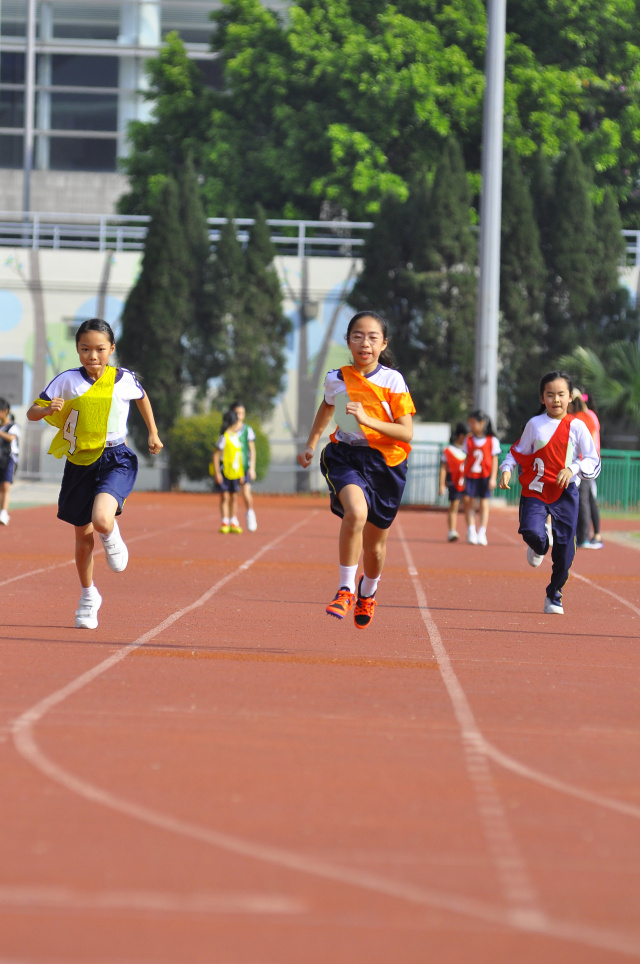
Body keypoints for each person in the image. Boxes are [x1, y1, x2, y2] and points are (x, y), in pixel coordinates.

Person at [26, 318, 163, 630]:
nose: (93, 355)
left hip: (115, 458)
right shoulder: (67, 380)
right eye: (85, 349)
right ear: (78, 350)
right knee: (83, 537)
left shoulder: (123, 379)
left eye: (100, 349)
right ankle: (88, 596)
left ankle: (112, 536)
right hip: (80, 462)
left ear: (111, 349)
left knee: (102, 519)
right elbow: (33, 412)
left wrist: (153, 432)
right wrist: (47, 410)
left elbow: (142, 397)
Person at [297, 310, 415, 629]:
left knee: (374, 548)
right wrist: (311, 444)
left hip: (386, 464)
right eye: (358, 336)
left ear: (383, 343)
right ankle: (345, 589)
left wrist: (367, 419)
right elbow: (327, 406)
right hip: (346, 457)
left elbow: (406, 432)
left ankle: (368, 591)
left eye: (373, 337)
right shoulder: (336, 378)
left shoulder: (392, 380)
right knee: (356, 513)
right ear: (348, 342)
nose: (365, 343)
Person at [499, 370, 600, 615]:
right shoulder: (535, 425)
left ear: (570, 397)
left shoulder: (577, 426)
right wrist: (506, 469)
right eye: (550, 394)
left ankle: (554, 594)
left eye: (561, 394)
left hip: (565, 494)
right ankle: (539, 546)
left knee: (565, 552)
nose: (556, 400)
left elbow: (593, 460)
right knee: (532, 532)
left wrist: (573, 468)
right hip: (535, 490)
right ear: (542, 398)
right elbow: (517, 451)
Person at [570, 390, 603, 549]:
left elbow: (592, 441)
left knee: (582, 498)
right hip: (586, 462)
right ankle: (592, 535)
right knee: (587, 498)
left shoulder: (582, 418)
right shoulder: (587, 416)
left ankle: (583, 536)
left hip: (583, 463)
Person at [463, 409, 500, 545]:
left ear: (482, 423)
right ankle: (471, 530)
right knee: (470, 503)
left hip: (485, 476)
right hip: (471, 475)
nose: (471, 425)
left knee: (484, 504)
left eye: (474, 422)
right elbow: (466, 459)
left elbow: (494, 460)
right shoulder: (468, 439)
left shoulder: (492, 440)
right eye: (470, 423)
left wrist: (493, 478)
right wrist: (463, 476)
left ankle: (482, 532)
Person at [212, 408, 246, 534]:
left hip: (235, 473)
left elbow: (239, 457)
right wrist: (217, 472)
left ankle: (233, 521)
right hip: (225, 472)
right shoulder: (224, 438)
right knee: (225, 497)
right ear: (233, 423)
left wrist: (241, 473)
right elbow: (215, 455)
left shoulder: (236, 438)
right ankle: (225, 521)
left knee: (234, 497)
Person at [439, 422, 467, 541]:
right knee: (454, 504)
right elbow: (443, 469)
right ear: (461, 436)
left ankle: (470, 530)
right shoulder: (448, 450)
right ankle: (452, 530)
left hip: (467, 481)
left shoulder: (468, 450)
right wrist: (441, 485)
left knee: (468, 504)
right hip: (454, 481)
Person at [231, 401, 258, 532]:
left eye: (242, 413)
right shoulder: (228, 429)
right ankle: (233, 518)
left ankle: (250, 513)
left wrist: (252, 468)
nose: (239, 416)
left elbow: (252, 450)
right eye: (237, 413)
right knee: (233, 494)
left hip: (244, 467)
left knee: (246, 492)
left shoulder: (247, 430)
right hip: (231, 467)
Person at [0, 397, 20, 526]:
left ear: (6, 411)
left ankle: (4, 512)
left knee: (5, 486)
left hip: (8, 459)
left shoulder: (13, 426)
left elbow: (11, 438)